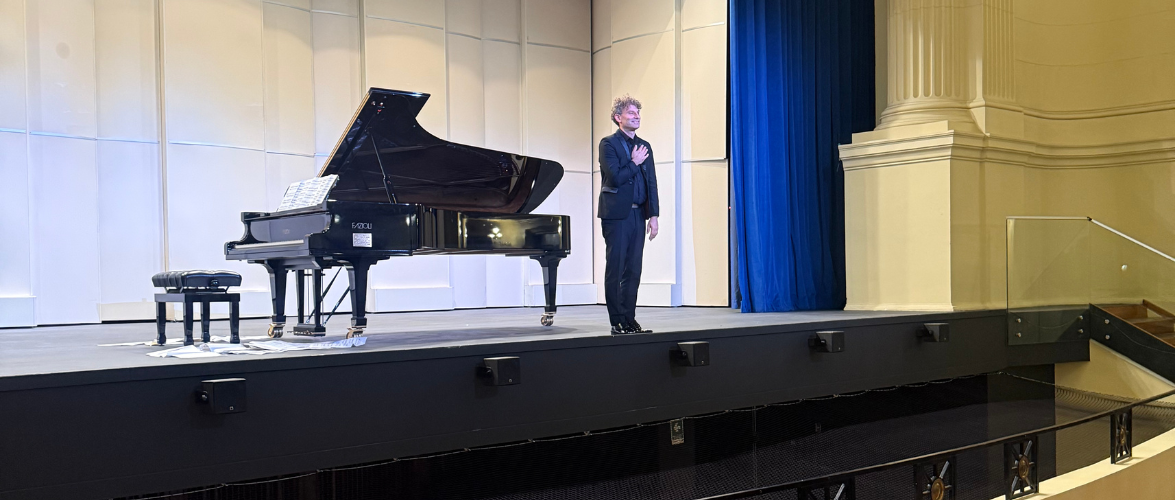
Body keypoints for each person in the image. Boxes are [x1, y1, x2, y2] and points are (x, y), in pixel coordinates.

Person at [598, 95, 659, 335]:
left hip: (638, 215)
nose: (637, 116)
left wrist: (653, 215)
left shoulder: (644, 146)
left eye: (638, 113)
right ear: (617, 117)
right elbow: (614, 177)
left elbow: (651, 182)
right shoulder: (608, 144)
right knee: (617, 267)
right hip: (616, 216)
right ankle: (617, 320)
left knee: (634, 269)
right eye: (631, 113)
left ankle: (630, 318)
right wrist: (633, 163)